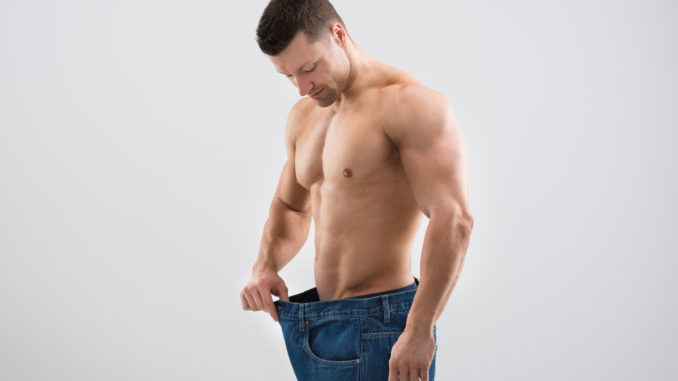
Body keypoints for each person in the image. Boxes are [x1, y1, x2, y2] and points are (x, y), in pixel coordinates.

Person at [240, 0, 474, 379]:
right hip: (316, 322)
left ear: (338, 35)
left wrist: (419, 329)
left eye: (308, 68)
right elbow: (291, 205)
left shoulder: (408, 104)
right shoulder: (305, 116)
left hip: (385, 325)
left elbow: (454, 219)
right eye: (288, 77)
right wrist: (266, 265)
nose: (302, 87)